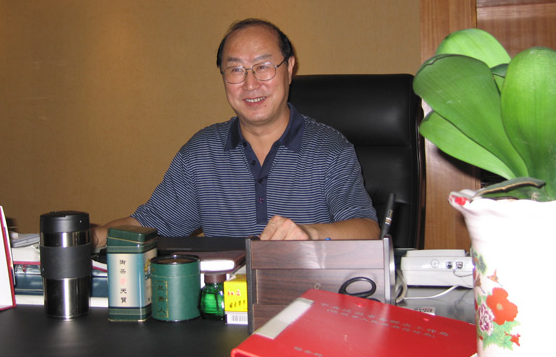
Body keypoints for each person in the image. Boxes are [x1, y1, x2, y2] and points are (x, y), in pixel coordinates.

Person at [91, 19, 379, 248]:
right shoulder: (201, 153)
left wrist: (310, 234)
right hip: (226, 299)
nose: (250, 84)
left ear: (290, 68)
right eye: (236, 70)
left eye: (263, 67)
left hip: (309, 298)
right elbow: (148, 223)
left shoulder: (330, 149)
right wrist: (89, 238)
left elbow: (367, 230)